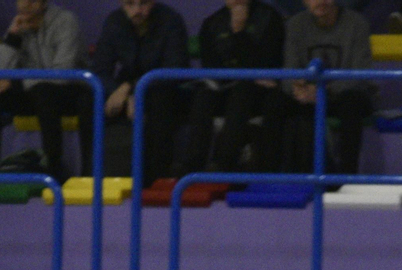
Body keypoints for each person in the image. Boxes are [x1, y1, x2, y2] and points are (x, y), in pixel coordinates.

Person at [0, 0, 91, 186]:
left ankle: (54, 167)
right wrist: (13, 39)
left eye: (31, 0)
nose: (25, 5)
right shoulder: (19, 24)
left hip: (70, 91)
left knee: (43, 91)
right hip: (33, 91)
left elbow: (62, 75)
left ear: (43, 2)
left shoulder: (65, 21)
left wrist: (15, 83)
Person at [181, 0, 286, 175]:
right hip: (223, 89)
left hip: (258, 93)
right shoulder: (212, 23)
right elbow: (211, 67)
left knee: (242, 91)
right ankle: (193, 168)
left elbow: (268, 62)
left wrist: (239, 31)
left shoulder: (270, 18)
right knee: (203, 96)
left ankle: (225, 163)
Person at [90, 0, 190, 180]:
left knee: (161, 102)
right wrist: (124, 94)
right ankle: (90, 174)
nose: (137, 10)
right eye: (130, 4)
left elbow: (175, 69)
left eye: (143, 3)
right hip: (125, 89)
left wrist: (132, 88)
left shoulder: (171, 20)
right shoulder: (114, 22)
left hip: (161, 88)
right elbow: (100, 69)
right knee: (88, 101)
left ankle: (156, 178)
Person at [282, 0, 374, 176]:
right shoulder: (295, 25)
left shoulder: (357, 24)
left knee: (352, 103)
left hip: (344, 94)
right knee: (276, 102)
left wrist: (323, 92)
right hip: (309, 94)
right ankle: (273, 178)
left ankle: (347, 179)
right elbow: (289, 72)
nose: (320, 1)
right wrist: (297, 87)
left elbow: (360, 75)